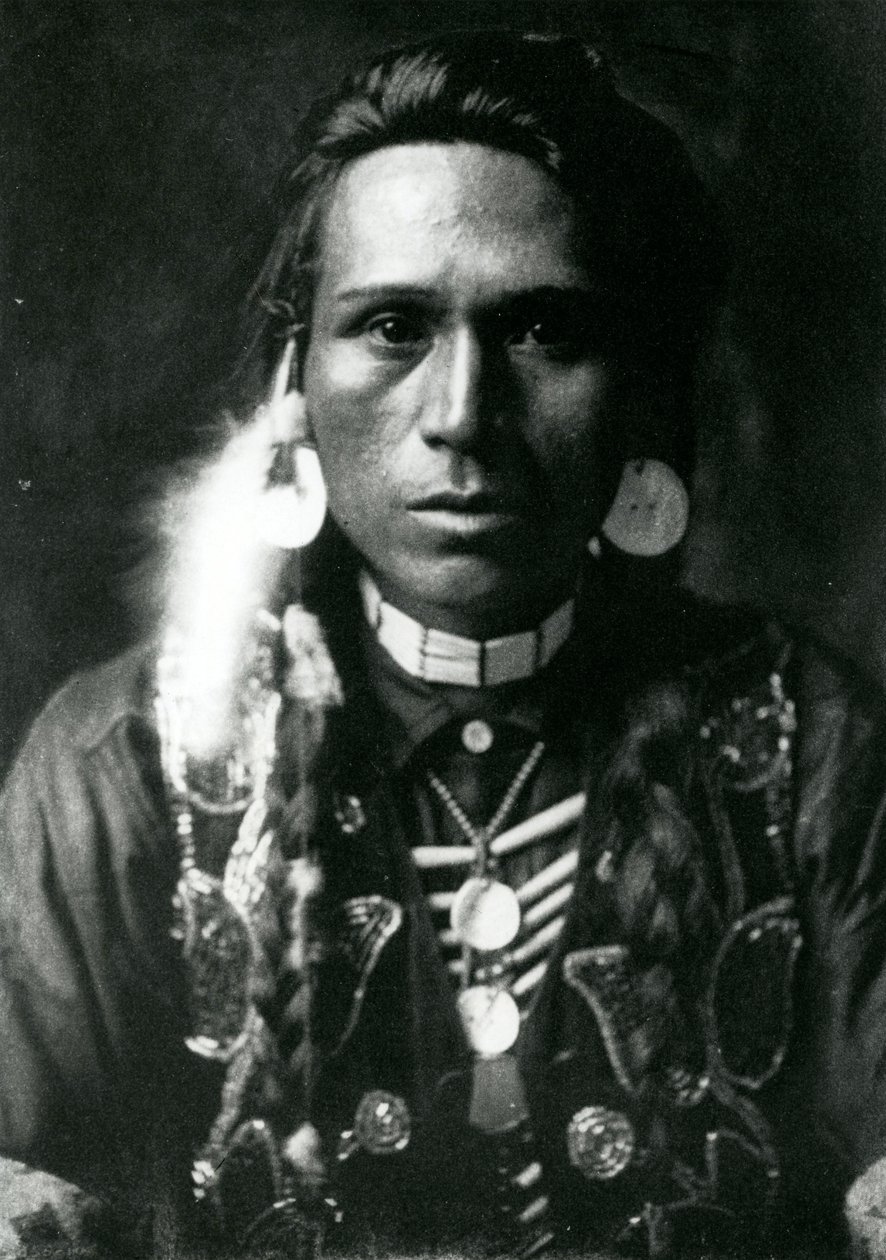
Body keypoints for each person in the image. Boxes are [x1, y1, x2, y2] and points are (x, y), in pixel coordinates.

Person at [2, 29, 886, 1260]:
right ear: (295, 383)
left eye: (542, 332)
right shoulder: (125, 765)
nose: (463, 414)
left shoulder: (802, 747)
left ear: (636, 389)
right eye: (392, 326)